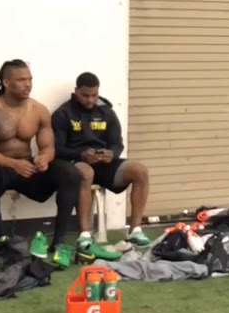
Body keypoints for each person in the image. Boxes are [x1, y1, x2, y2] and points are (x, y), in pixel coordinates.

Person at [0, 60, 81, 253]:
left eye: (29, 79)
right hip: (0, 168)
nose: (28, 84)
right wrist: (13, 164)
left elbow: (48, 147)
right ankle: (2, 239)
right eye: (21, 80)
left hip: (28, 168)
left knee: (70, 172)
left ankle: (59, 240)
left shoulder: (38, 110)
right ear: (6, 82)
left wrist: (44, 159)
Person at [50, 72, 152, 253]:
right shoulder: (63, 114)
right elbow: (57, 149)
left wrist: (111, 154)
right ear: (76, 91)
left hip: (103, 164)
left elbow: (117, 143)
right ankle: (85, 235)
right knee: (85, 172)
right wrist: (81, 154)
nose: (90, 100)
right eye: (85, 95)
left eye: (94, 95)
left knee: (140, 170)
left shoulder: (106, 111)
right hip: (76, 161)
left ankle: (135, 230)